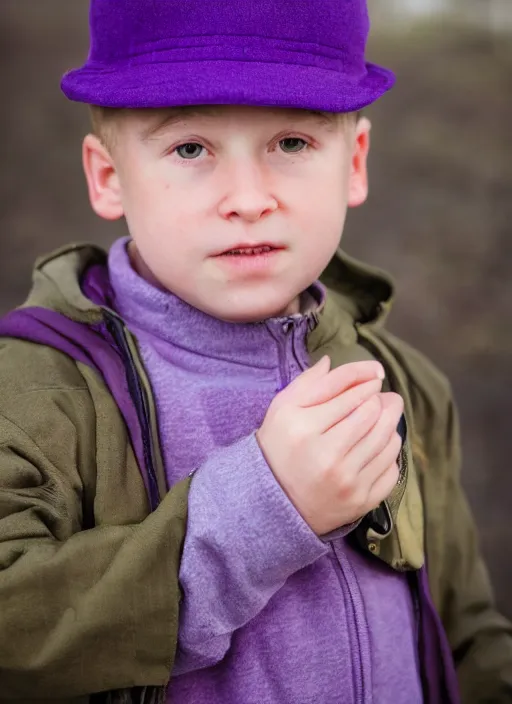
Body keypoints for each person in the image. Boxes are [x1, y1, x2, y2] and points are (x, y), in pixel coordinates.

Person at [0, 0, 510, 702]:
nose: (247, 198)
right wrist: (265, 511)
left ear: (354, 162)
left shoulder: (403, 385)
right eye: (190, 148)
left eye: (292, 144)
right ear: (108, 176)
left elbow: (467, 636)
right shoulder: (32, 394)